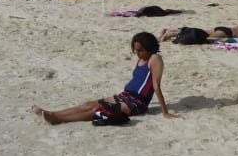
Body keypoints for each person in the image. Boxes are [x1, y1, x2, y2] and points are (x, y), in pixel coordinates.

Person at [33, 32, 181, 124]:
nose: (137, 53)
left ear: (148, 48)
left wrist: (165, 112)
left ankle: (58, 119)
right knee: (87, 104)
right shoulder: (142, 58)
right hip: (125, 96)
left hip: (137, 103)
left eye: (140, 50)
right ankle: (53, 114)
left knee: (97, 111)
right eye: (135, 50)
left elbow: (156, 86)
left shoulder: (155, 58)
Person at [159, 17, 238, 42]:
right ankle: (172, 34)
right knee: (203, 37)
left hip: (226, 29)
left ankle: (172, 31)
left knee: (203, 32)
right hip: (229, 34)